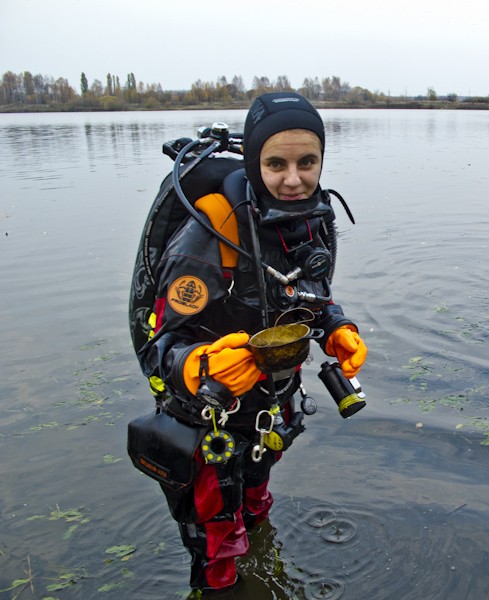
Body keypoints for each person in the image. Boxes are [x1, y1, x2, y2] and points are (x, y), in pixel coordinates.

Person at [135, 92, 367, 591]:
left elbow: (313, 297)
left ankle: (260, 562)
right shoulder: (213, 226)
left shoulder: (317, 217)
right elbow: (160, 343)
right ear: (253, 160)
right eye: (276, 163)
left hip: (271, 411)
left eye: (308, 162)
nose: (292, 178)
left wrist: (336, 328)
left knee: (257, 509)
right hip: (205, 422)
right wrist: (200, 364)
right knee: (216, 548)